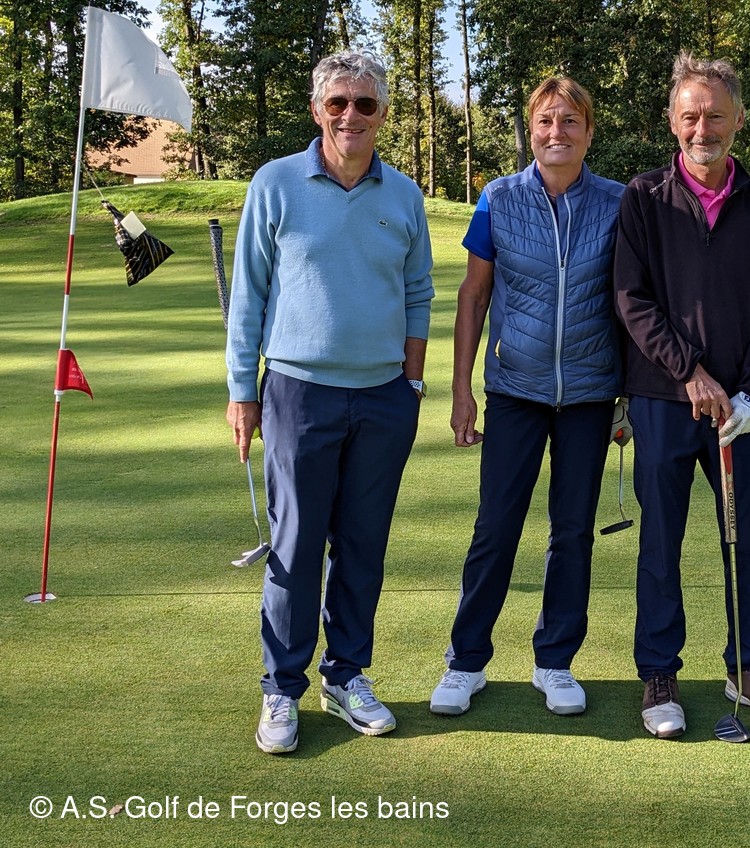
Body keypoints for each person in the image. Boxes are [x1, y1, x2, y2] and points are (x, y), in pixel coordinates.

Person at [225, 49, 434, 753]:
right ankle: (281, 687)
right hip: (297, 392)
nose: (351, 115)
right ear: (318, 110)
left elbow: (417, 292)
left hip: (383, 396)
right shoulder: (276, 182)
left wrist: (411, 383)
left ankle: (346, 674)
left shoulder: (403, 195)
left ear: (382, 114)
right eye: (337, 102)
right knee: (296, 544)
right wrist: (241, 392)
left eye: (364, 104)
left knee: (363, 545)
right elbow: (249, 295)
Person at [613, 51, 750, 739]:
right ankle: (659, 674)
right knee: (661, 542)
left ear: (738, 119)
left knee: (746, 541)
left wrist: (749, 392)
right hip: (664, 400)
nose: (702, 129)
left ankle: (747, 667)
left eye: (715, 116)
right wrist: (690, 373)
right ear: (672, 121)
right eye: (690, 116)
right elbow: (631, 301)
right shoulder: (643, 197)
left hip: (739, 415)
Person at [429, 76, 627, 718]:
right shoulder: (498, 197)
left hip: (591, 395)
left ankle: (555, 662)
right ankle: (466, 661)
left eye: (569, 121)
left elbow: (633, 304)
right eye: (545, 120)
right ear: (531, 130)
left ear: (588, 131)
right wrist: (461, 390)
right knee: (496, 527)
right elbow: (474, 295)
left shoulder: (620, 202)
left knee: (572, 531)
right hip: (515, 388)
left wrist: (627, 397)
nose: (556, 132)